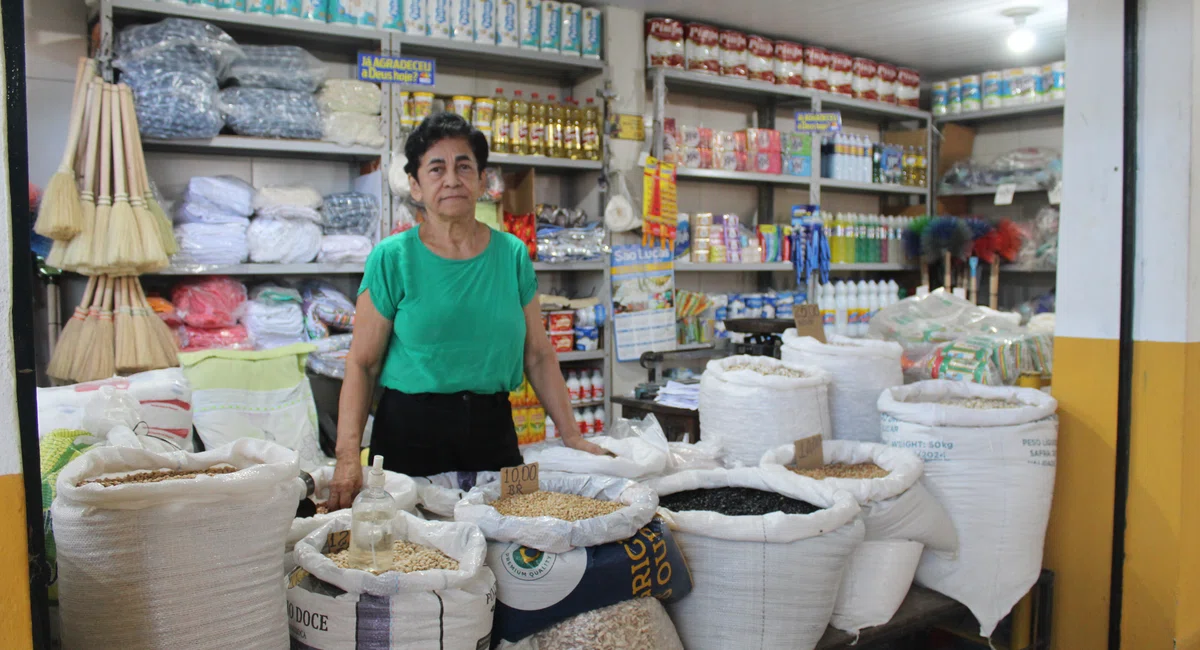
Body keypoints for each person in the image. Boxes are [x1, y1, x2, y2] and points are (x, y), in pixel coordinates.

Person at [327, 112, 605, 509]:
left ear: (481, 180)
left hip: (493, 432)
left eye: (464, 167)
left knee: (508, 550)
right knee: (412, 553)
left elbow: (539, 355)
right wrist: (347, 459)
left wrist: (572, 435)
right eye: (436, 169)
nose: (452, 179)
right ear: (415, 186)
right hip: (410, 435)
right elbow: (363, 364)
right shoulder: (392, 258)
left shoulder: (511, 255)